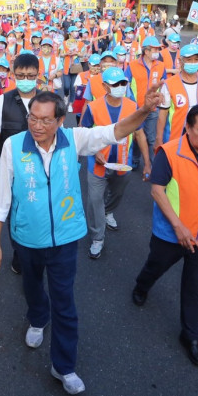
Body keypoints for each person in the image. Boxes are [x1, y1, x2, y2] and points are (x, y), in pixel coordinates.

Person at [0, 85, 163, 395]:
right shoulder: (13, 146)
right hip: (26, 238)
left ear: (60, 121)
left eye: (45, 120)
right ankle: (38, 318)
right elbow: (1, 197)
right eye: (33, 118)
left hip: (66, 239)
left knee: (65, 302)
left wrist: (146, 111)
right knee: (31, 286)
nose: (37, 126)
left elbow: (116, 130)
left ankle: (64, 366)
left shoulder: (74, 139)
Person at [131, 104, 198, 367]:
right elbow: (157, 191)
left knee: (194, 285)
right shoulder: (170, 153)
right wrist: (178, 227)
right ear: (188, 128)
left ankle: (191, 336)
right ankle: (142, 286)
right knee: (155, 267)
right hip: (170, 235)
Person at [81, 68, 151, 259]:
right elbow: (83, 133)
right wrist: (94, 152)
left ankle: (108, 211)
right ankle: (97, 237)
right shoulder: (93, 108)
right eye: (115, 84)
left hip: (123, 164)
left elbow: (139, 134)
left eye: (123, 83)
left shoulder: (132, 106)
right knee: (94, 200)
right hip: (97, 165)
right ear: (104, 86)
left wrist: (147, 163)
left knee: (117, 194)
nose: (120, 87)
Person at [0, 54, 42, 274]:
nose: (25, 79)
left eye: (30, 75)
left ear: (38, 75)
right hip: (11, 173)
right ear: (13, 75)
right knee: (14, 215)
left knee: (38, 212)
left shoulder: (48, 100)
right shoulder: (3, 101)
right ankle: (20, 253)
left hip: (40, 171)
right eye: (21, 75)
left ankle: (35, 250)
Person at [126, 36, 167, 169]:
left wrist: (161, 97)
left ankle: (152, 164)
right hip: (137, 109)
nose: (157, 52)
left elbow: (164, 84)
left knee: (151, 137)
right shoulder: (132, 66)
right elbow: (126, 86)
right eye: (154, 49)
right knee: (137, 136)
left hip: (153, 109)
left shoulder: (161, 66)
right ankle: (136, 159)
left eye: (158, 49)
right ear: (146, 51)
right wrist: (132, 103)